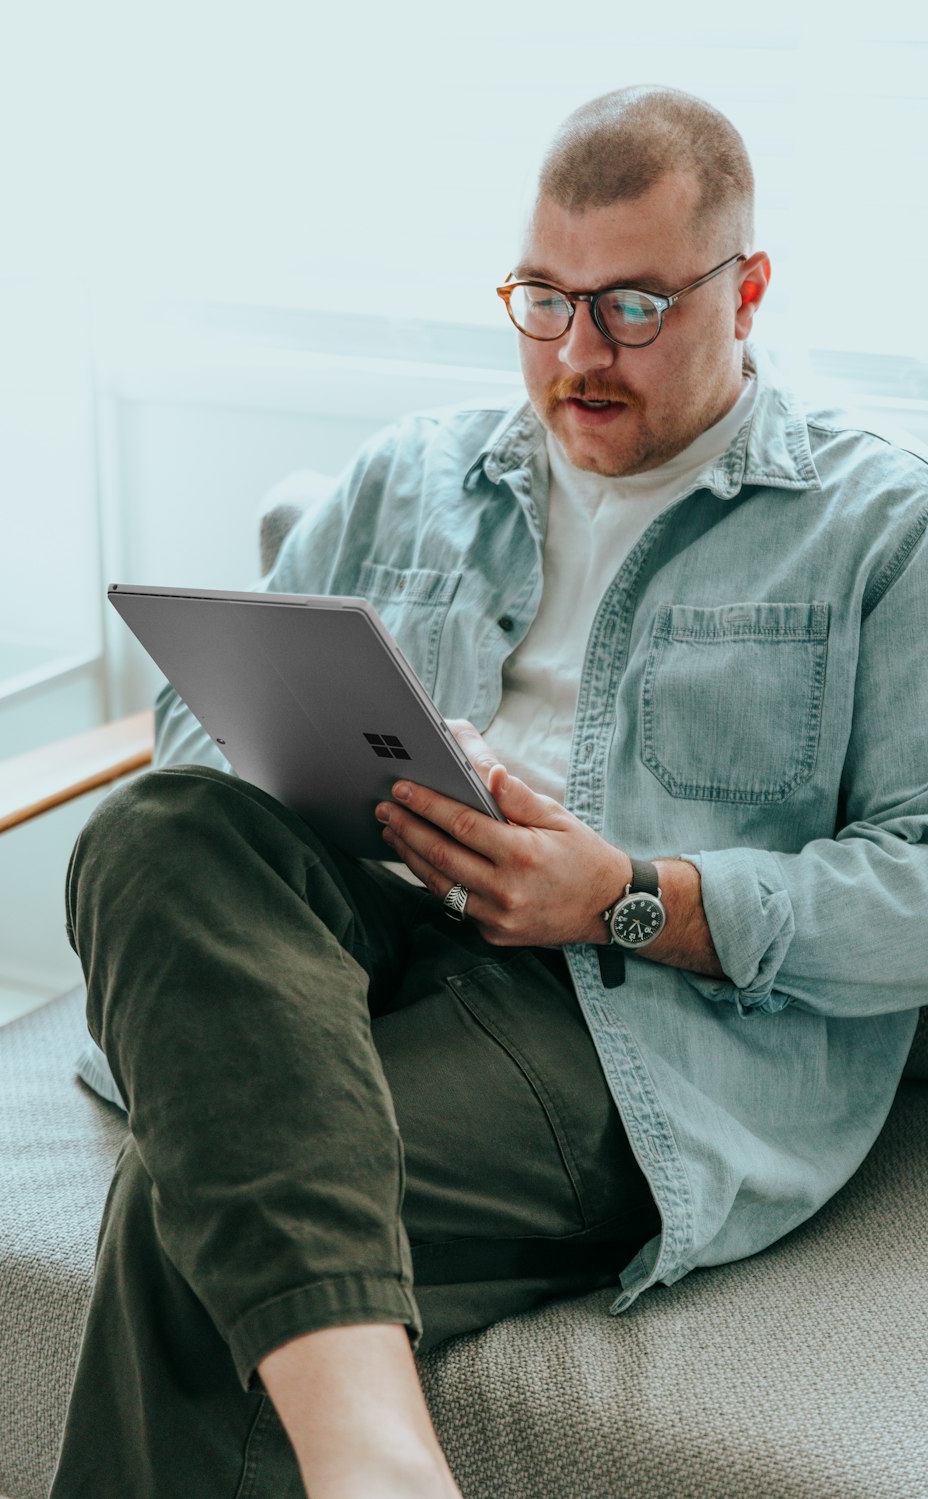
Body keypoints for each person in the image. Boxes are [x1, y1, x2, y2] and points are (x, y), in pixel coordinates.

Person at [50, 85, 928, 1499]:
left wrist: (634, 898)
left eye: (633, 307)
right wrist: (330, 791)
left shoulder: (881, 529)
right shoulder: (411, 472)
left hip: (615, 1018)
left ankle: (378, 1467)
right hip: (346, 945)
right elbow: (197, 720)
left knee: (185, 1207)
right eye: (542, 299)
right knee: (157, 825)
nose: (578, 353)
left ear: (748, 289)